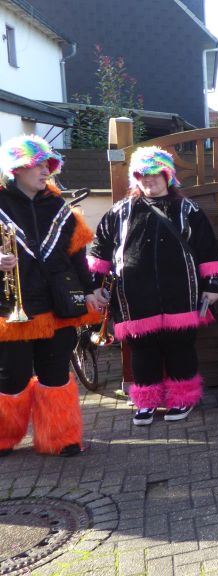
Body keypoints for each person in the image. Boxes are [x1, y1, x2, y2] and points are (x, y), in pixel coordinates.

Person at [89, 147, 218, 425]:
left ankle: (183, 398)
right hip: (134, 295)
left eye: (154, 174)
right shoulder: (120, 211)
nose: (148, 179)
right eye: (142, 175)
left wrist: (212, 285)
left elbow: (208, 249)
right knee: (142, 350)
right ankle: (146, 402)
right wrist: (93, 286)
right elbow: (99, 249)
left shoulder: (188, 210)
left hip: (181, 293)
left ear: (167, 176)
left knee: (180, 348)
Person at [0, 134, 101, 456]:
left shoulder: (58, 206)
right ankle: (4, 437)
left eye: (48, 165)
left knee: (55, 373)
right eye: (38, 165)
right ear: (17, 169)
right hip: (11, 308)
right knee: (11, 377)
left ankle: (60, 437)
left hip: (58, 305)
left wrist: (90, 290)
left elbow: (77, 255)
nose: (46, 171)